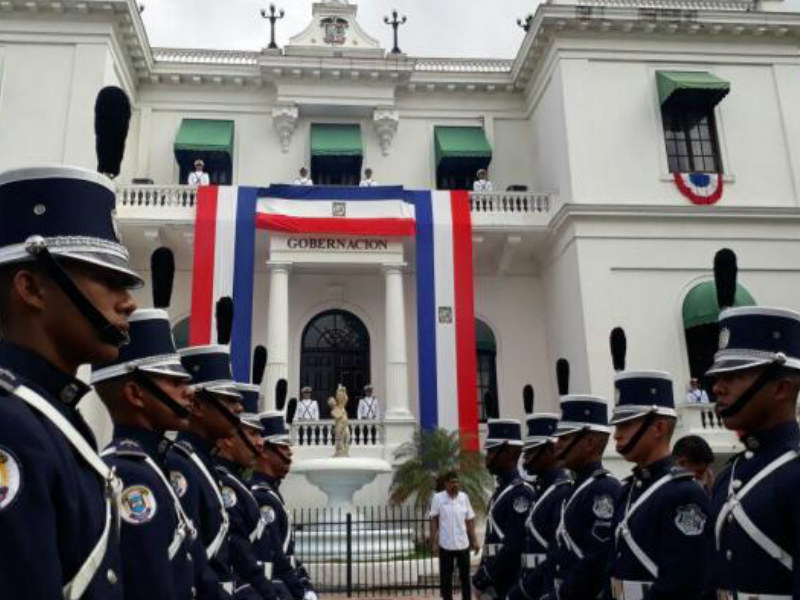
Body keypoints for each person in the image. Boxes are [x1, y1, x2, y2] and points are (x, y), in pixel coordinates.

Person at [0, 165, 141, 599]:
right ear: (32, 288)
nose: (128, 302)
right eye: (107, 279)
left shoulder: (47, 417)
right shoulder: (11, 429)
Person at [92, 309, 198, 600]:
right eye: (174, 382)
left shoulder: (152, 464)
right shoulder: (131, 473)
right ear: (135, 394)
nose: (188, 392)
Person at [707, 305, 800, 598]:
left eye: (733, 376)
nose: (718, 388)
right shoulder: (728, 475)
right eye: (718, 378)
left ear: (781, 388)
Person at [609, 369, 712, 600]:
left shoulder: (683, 492)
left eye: (625, 425)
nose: (616, 435)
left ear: (659, 428)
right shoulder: (628, 489)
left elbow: (682, 583)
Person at [166, 345, 245, 596]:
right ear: (198, 406)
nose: (239, 409)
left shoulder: (203, 461)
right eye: (229, 400)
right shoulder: (181, 464)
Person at [544, 359, 621, 600]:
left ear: (588, 443)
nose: (557, 446)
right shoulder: (573, 487)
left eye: (565, 439)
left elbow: (596, 558)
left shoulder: (603, 488)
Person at [507, 404, 572, 600]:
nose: (525, 457)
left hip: (546, 585)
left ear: (550, 451)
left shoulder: (561, 491)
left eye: (532, 450)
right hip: (533, 582)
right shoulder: (542, 490)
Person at [252, 411, 317, 600]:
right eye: (282, 446)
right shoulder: (263, 497)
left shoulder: (271, 493)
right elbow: (277, 557)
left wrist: (306, 584)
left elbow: (288, 554)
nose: (290, 452)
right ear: (264, 451)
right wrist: (299, 591)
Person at [472, 412, 537, 600]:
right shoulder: (503, 490)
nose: (487, 457)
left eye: (492, 451)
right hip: (496, 584)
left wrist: (484, 578)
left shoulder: (520, 493)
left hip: (510, 582)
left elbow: (513, 547)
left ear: (508, 452)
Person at [214, 415, 279, 600]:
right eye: (253, 434)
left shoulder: (237, 482)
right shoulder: (226, 483)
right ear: (228, 438)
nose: (260, 443)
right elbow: (239, 553)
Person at [430, 470, 479, 600]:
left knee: (465, 578)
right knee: (446, 579)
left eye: (457, 482)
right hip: (446, 545)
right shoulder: (438, 498)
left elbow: (469, 520)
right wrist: (434, 541)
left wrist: (474, 541)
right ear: (446, 484)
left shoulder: (464, 498)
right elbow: (434, 520)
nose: (455, 485)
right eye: (452, 483)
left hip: (463, 544)